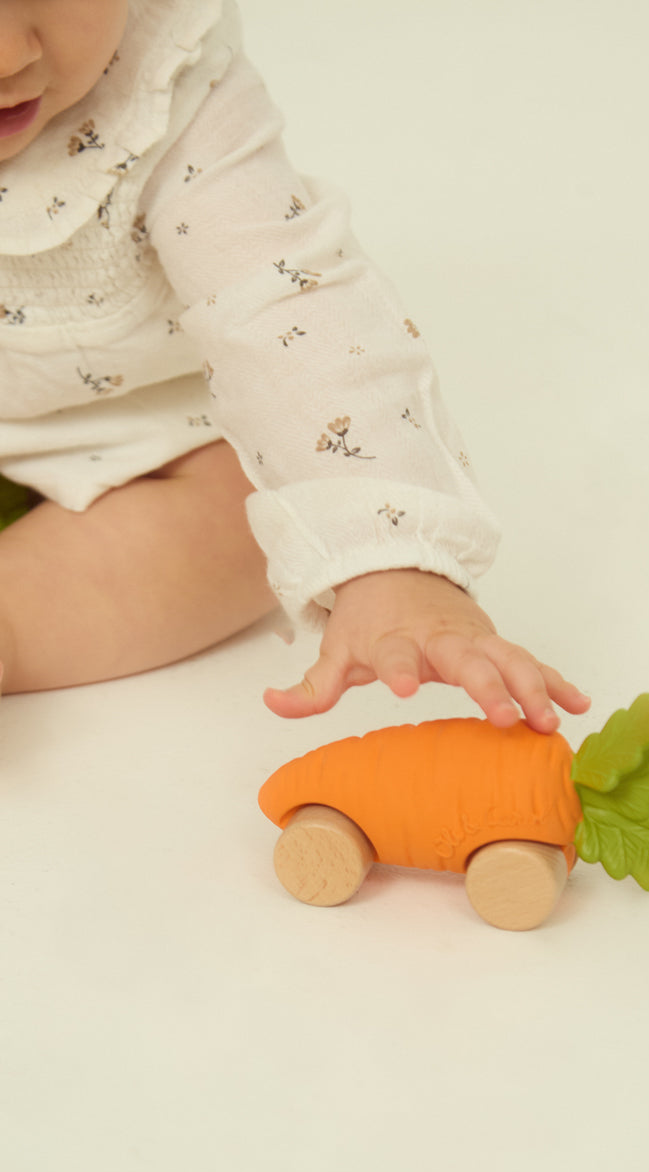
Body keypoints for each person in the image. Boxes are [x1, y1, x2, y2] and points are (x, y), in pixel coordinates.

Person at [0, 0, 589, 735]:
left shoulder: (167, 97)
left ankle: (15, 623)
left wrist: (389, 555)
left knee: (240, 512)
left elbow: (283, 304)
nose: (9, 54)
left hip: (147, 436)